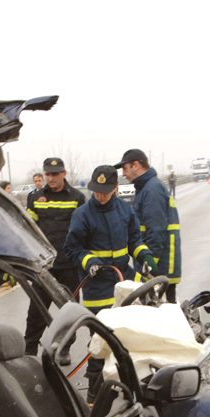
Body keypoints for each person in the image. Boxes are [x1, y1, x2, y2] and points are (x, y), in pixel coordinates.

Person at [63, 165, 153, 401]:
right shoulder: (82, 214)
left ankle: (129, 386)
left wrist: (144, 255)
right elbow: (72, 248)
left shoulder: (125, 209)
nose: (100, 195)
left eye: (105, 190)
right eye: (96, 190)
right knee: (100, 340)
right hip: (97, 287)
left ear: (115, 188)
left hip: (124, 282)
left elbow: (134, 239)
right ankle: (95, 393)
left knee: (127, 337)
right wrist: (89, 260)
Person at [23, 157, 87, 355]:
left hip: (69, 265)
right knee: (36, 311)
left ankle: (65, 347)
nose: (50, 178)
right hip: (44, 268)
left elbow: (83, 230)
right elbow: (28, 229)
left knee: (69, 312)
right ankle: (30, 350)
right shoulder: (35, 198)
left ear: (64, 174)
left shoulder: (77, 198)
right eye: (48, 174)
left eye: (55, 174)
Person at [116, 149, 182, 303]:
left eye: (125, 168)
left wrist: (150, 266)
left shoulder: (152, 189)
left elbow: (156, 230)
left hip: (160, 266)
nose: (124, 174)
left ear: (136, 165)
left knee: (162, 314)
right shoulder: (146, 187)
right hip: (158, 264)